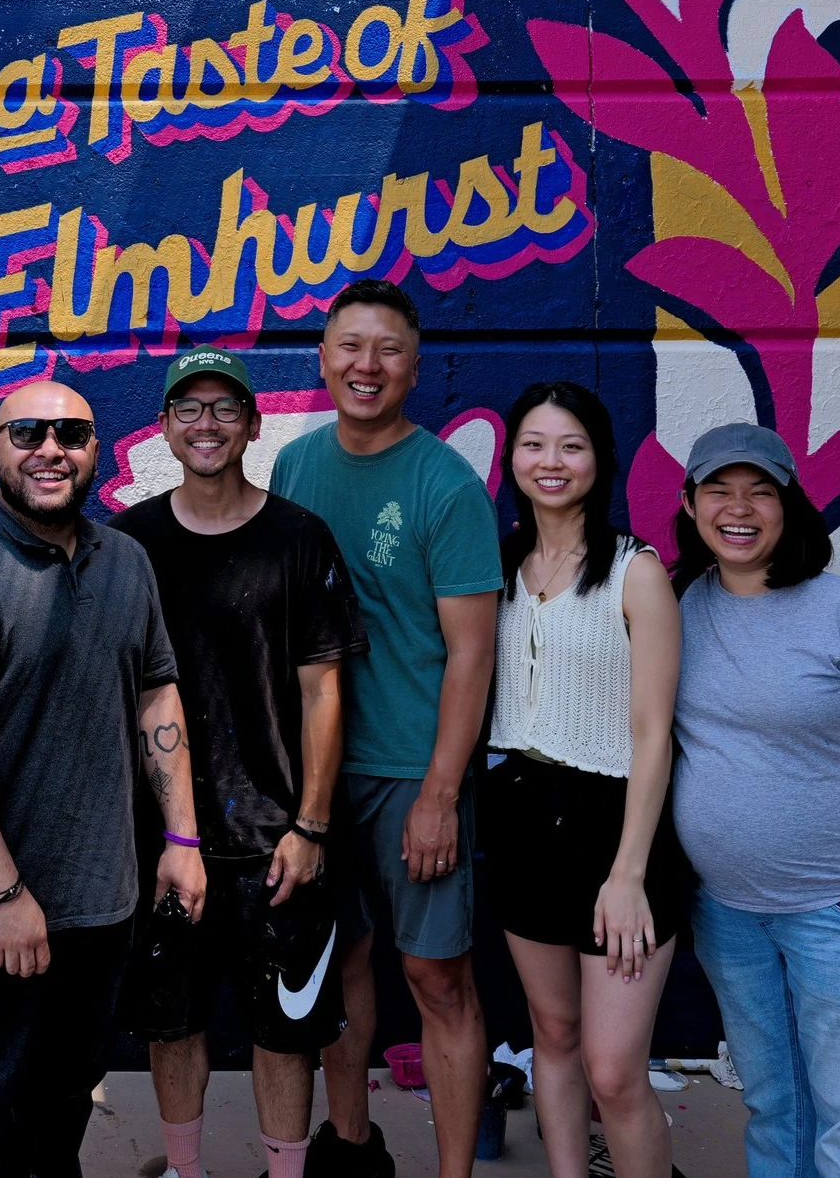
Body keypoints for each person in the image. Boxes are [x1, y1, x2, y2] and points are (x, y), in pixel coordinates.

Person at [0, 378, 205, 1178]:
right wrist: (4, 896)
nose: (50, 450)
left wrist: (181, 837)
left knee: (64, 1100)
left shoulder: (126, 562)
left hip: (104, 901)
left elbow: (156, 693)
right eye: (29, 433)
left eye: (71, 436)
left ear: (95, 455)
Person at [110, 347, 366, 1178]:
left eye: (225, 409)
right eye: (190, 409)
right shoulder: (131, 543)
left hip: (277, 846)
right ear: (165, 427)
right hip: (168, 843)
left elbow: (325, 691)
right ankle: (187, 1171)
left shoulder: (298, 537)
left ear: (253, 425)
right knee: (172, 1024)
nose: (207, 424)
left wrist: (311, 827)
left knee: (283, 1030)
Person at [268, 278, 502, 1178]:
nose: (367, 366)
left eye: (388, 349)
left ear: (415, 365)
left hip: (412, 769)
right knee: (340, 965)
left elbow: (471, 655)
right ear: (324, 360)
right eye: (350, 347)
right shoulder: (297, 465)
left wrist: (441, 794)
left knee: (437, 977)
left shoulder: (444, 483)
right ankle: (352, 1149)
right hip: (317, 772)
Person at [670, 423, 840, 1178]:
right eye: (719, 489)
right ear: (691, 505)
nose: (739, 508)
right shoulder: (681, 606)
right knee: (776, 1107)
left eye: (761, 490)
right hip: (728, 911)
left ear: (790, 504)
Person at [482, 382, 684, 1178]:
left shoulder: (636, 573)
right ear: (513, 459)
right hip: (523, 821)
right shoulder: (495, 568)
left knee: (613, 1070)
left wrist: (629, 873)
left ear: (599, 461)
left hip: (617, 829)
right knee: (552, 1038)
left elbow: (654, 732)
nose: (550, 462)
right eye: (533, 444)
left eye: (571, 446)